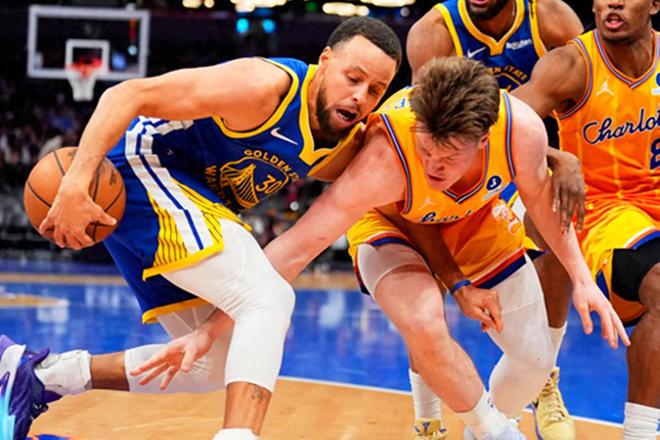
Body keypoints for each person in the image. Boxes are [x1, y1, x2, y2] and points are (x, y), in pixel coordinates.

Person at [133, 57, 630, 440]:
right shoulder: (386, 158)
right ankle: (490, 430)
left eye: (448, 156)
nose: (433, 166)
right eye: (426, 149)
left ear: (483, 140)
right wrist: (213, 327)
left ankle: (486, 425)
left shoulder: (521, 131)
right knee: (423, 319)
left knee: (536, 360)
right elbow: (298, 246)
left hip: (473, 220)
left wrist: (582, 279)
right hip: (391, 223)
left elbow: (542, 205)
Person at [0, 17, 402, 440]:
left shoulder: (345, 143)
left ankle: (41, 375)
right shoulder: (263, 86)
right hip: (144, 166)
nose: (360, 96)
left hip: (191, 198)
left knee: (214, 362)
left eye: (375, 90)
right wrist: (77, 182)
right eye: (353, 78)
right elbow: (127, 94)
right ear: (325, 60)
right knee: (267, 297)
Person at [405, 1, 585, 437]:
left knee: (558, 227)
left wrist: (565, 158)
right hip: (451, 165)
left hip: (521, 162)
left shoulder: (552, 18)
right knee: (422, 275)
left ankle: (544, 381)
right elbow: (425, 128)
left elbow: (580, 100)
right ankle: (426, 415)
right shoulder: (435, 31)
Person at [510, 0, 660, 437]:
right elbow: (498, 121)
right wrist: (555, 156)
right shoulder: (571, 65)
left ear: (653, 4)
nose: (613, 2)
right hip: (602, 209)